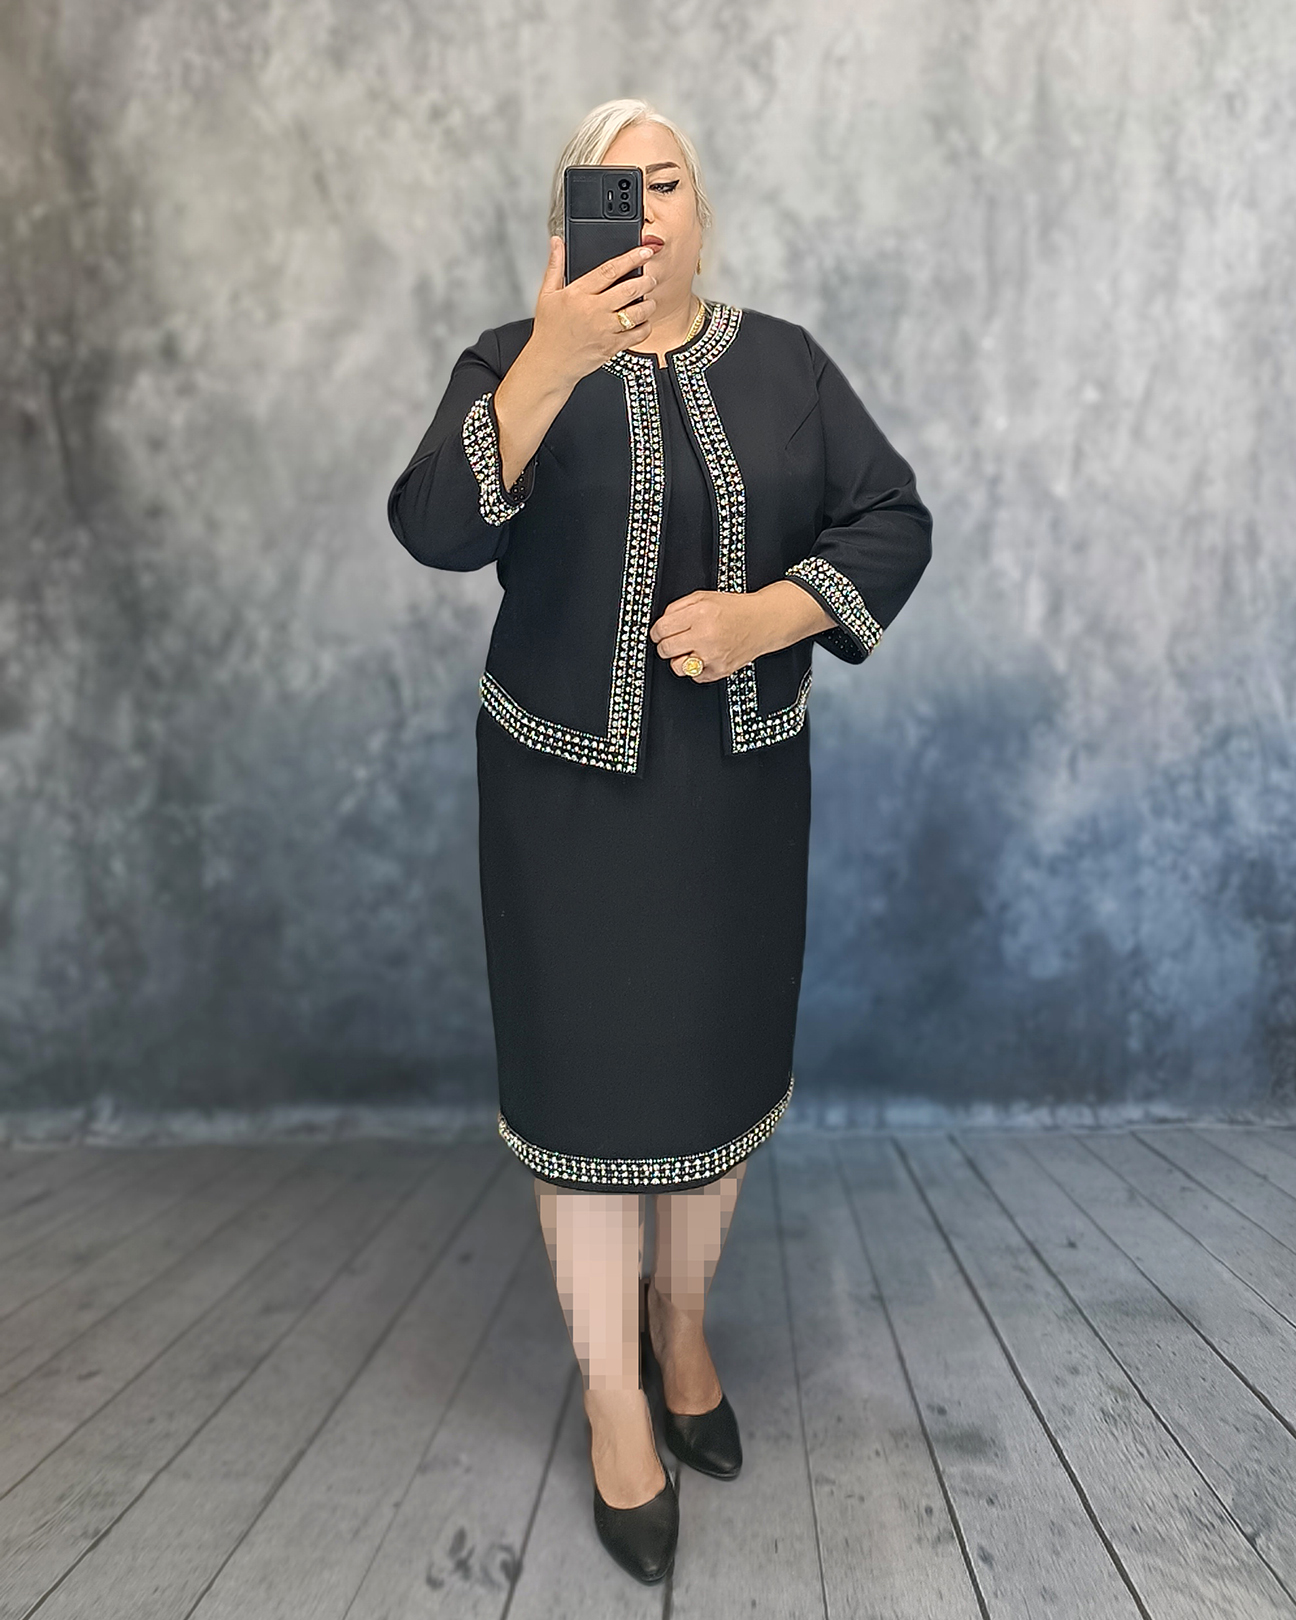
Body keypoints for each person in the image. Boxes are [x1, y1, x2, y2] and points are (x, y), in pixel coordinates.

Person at [387, 97, 932, 1585]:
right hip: (560, 804)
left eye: (668, 181)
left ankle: (681, 1328)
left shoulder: (787, 365)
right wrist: (553, 360)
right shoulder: (511, 359)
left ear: (703, 209)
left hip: (734, 802)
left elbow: (891, 519)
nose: (644, 209)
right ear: (568, 222)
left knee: (712, 1087)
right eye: (610, 189)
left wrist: (770, 616)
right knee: (582, 1103)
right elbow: (434, 526)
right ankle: (614, 1400)